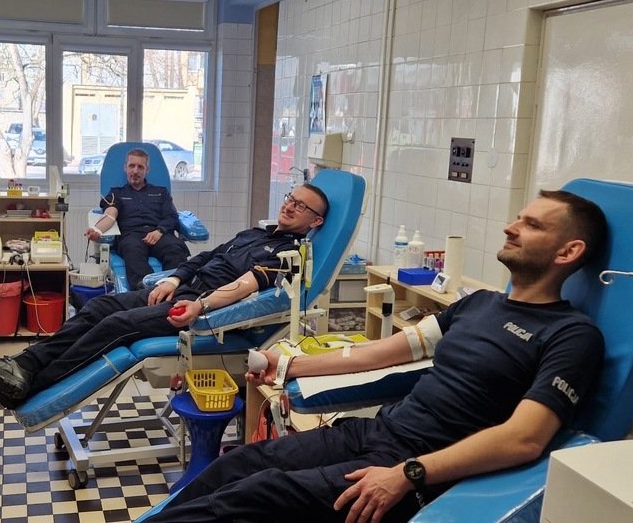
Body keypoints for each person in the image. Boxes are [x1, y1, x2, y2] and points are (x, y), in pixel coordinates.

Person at [146, 190, 609, 523]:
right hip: (375, 433)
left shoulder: (572, 335)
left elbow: (524, 439)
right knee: (238, 465)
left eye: (533, 225)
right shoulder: (477, 304)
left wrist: (409, 474)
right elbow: (377, 354)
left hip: (417, 467)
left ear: (569, 251)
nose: (511, 227)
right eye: (519, 218)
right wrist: (285, 366)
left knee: (254, 495)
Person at [0, 184, 331, 409]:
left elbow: (245, 286)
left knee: (117, 325)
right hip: (183, 290)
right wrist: (174, 279)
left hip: (198, 311)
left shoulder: (290, 254)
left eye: (301, 206)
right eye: (290, 198)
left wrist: (199, 306)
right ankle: (24, 364)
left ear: (315, 222)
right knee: (101, 305)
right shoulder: (256, 233)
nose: (289, 206)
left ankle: (31, 385)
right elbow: (206, 256)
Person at [85, 148, 191, 290]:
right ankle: (146, 292)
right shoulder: (117, 193)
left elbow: (171, 216)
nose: (135, 171)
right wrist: (97, 230)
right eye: (132, 166)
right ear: (125, 167)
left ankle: (175, 290)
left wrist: (160, 231)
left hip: (159, 234)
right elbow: (110, 215)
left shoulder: (160, 192)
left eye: (140, 167)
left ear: (147, 170)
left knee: (175, 248)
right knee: (132, 250)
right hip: (131, 236)